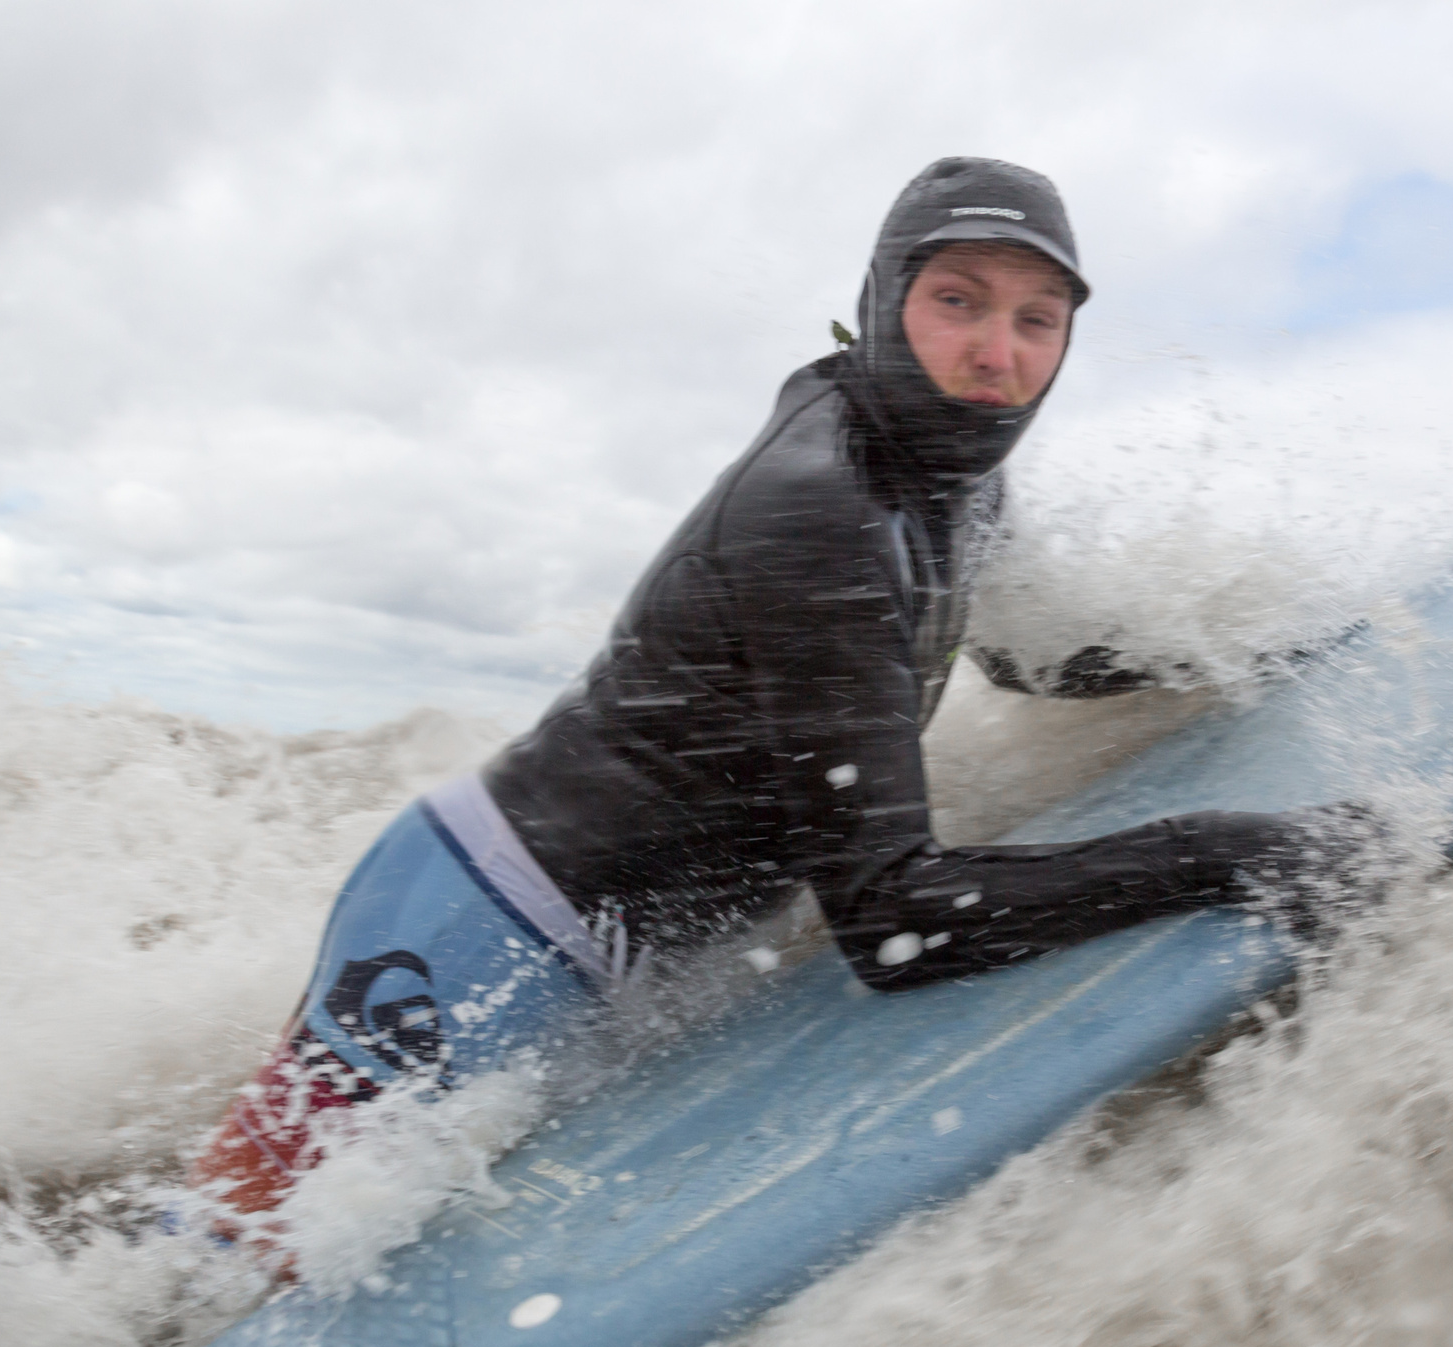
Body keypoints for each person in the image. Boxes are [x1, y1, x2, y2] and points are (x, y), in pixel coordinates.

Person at [195, 157, 1379, 1226]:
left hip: (613, 941)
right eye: (957, 301)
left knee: (331, 1235)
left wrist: (1227, 651)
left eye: (1037, 319)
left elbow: (1011, 660)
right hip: (484, 924)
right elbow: (898, 924)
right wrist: (1236, 849)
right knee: (238, 1251)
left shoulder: (950, 473)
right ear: (883, 302)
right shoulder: (820, 512)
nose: (996, 352)